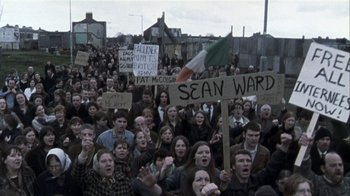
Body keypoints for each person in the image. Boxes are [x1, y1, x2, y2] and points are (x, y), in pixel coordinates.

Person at [220, 132, 293, 195]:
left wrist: (284, 147)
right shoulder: (229, 186)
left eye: (248, 161)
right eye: (241, 161)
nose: (246, 164)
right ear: (234, 166)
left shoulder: (257, 181)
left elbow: (271, 168)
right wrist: (223, 186)